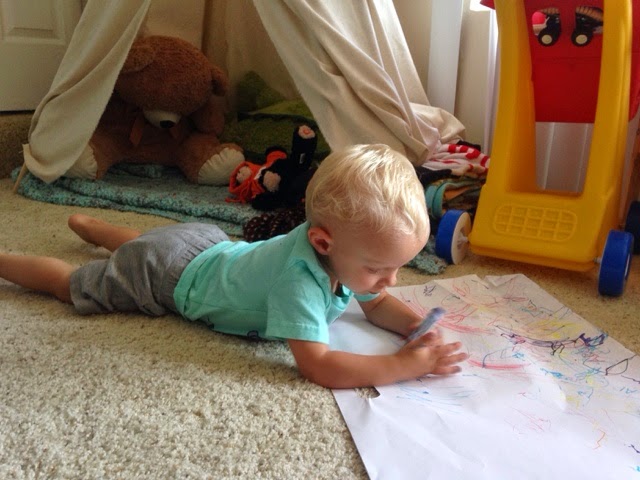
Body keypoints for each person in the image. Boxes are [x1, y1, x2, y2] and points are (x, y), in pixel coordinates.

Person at [0, 144, 467, 388]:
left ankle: (94, 227)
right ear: (324, 242)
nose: (390, 280)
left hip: (205, 243)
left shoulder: (345, 252)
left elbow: (377, 303)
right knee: (73, 284)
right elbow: (319, 366)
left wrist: (413, 327)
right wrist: (401, 366)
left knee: (146, 242)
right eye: (381, 269)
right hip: (167, 275)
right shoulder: (299, 281)